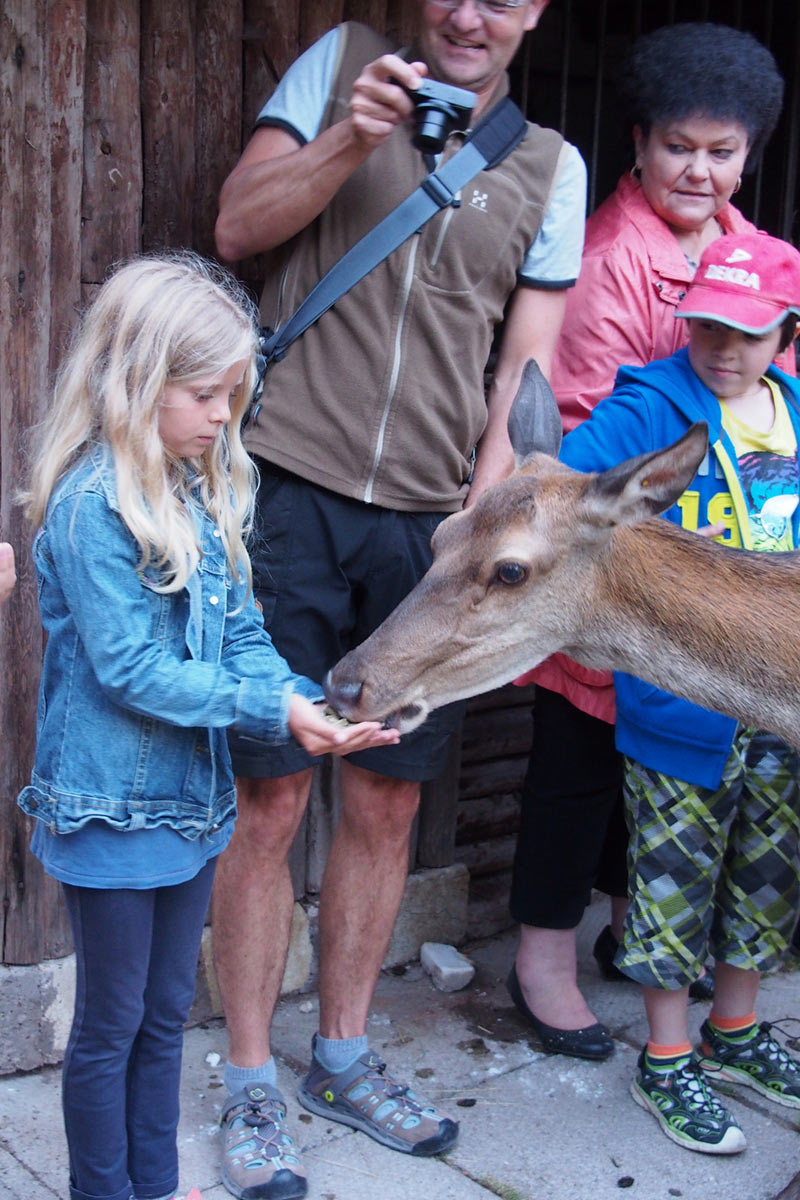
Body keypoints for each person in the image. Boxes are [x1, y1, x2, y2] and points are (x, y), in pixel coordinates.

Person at [212, 3, 586, 1195]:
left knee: (380, 812)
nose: (472, 13)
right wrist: (346, 138)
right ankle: (249, 1081)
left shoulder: (549, 166)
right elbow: (235, 229)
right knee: (266, 807)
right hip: (283, 502)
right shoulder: (340, 65)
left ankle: (343, 1054)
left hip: (421, 545)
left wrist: (465, 545)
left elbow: (520, 375)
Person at [17, 253, 396, 1200]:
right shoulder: (88, 508)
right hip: (108, 809)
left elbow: (239, 632)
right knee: (110, 1025)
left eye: (232, 394)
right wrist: (269, 706)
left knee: (166, 1011)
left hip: (190, 807)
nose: (224, 416)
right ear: (137, 379)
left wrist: (304, 703)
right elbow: (134, 672)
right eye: (207, 394)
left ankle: (153, 1185)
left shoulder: (200, 489)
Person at [506, 22, 793, 1061]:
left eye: (721, 152)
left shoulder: (745, 253)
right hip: (610, 557)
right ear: (639, 141)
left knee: (677, 773)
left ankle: (639, 935)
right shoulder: (604, 257)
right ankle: (541, 957)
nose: (698, 170)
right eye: (680, 146)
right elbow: (582, 432)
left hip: (704, 576)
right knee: (577, 763)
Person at [559, 230, 800, 1153]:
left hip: (778, 703)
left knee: (767, 881)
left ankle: (735, 1033)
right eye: (706, 325)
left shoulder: (792, 412)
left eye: (748, 332)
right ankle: (667, 1058)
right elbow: (563, 486)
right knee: (669, 883)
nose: (724, 349)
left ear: (785, 332)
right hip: (679, 709)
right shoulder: (653, 405)